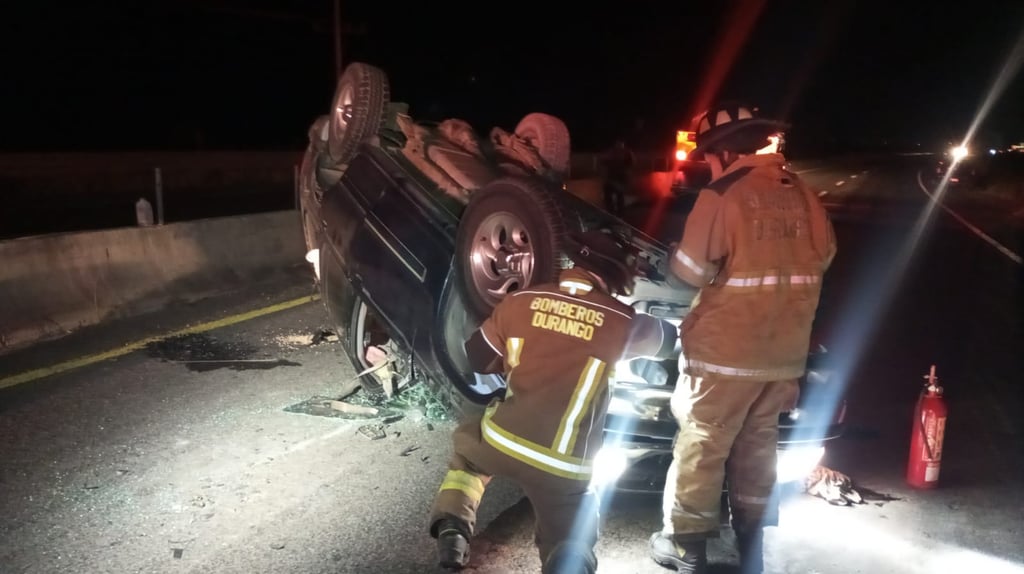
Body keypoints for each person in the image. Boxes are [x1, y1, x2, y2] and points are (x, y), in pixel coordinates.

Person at [650, 102, 836, 574]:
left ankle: (686, 545)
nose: (708, 166)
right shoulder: (806, 196)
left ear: (723, 153)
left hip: (724, 355)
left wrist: (673, 255)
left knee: (703, 444)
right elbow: (823, 257)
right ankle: (751, 538)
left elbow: (691, 272)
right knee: (759, 444)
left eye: (709, 157)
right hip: (783, 353)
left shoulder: (722, 194)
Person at [429, 230, 679, 573]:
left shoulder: (519, 302)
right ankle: (568, 558)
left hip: (502, 440)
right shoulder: (620, 320)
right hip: (563, 465)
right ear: (617, 277)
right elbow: (669, 341)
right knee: (571, 533)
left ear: (572, 266)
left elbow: (476, 357)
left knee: (468, 462)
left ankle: (453, 528)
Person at [601, 140, 634, 215]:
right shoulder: (612, 152)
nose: (618, 146)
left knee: (619, 195)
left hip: (620, 177)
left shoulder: (626, 153)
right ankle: (612, 211)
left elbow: (631, 163)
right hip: (612, 177)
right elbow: (604, 161)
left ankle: (619, 212)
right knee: (609, 193)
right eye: (617, 144)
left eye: (620, 144)